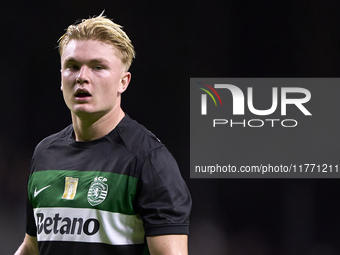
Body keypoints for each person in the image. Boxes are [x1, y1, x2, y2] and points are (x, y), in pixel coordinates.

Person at [15, 13, 191, 255]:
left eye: (98, 67)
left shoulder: (149, 160)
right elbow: (32, 247)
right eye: (73, 66)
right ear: (61, 77)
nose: (82, 77)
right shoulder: (45, 154)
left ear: (123, 82)